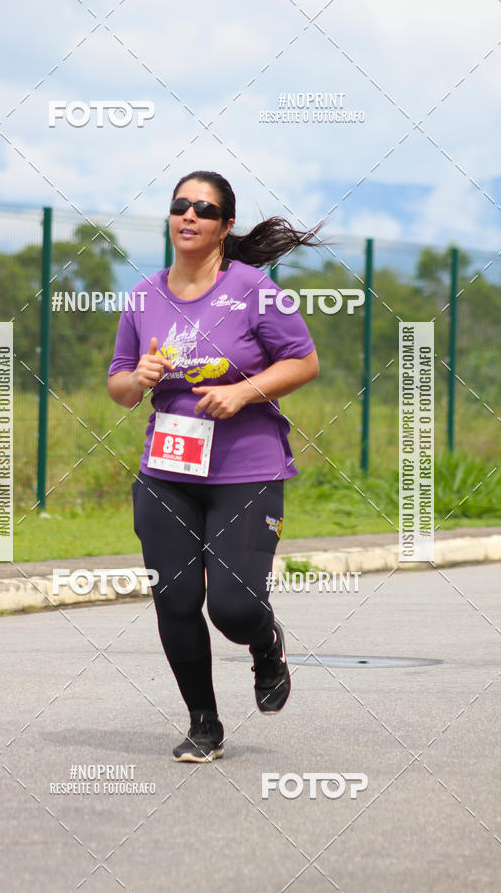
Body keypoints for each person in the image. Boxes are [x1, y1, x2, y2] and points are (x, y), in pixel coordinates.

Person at [107, 170, 322, 762]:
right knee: (174, 600)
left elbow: (303, 362)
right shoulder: (145, 295)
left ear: (226, 227)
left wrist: (245, 391)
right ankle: (204, 722)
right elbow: (119, 385)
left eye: (204, 209)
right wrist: (137, 379)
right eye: (181, 206)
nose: (189, 216)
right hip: (167, 472)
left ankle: (265, 642)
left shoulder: (257, 289)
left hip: (245, 472)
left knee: (231, 606)